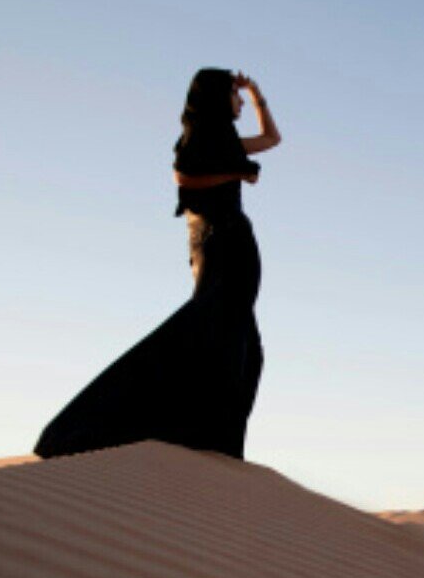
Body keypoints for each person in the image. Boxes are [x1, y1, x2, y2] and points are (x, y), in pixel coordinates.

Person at [34, 67, 281, 461]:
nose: (237, 100)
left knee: (247, 351)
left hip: (234, 245)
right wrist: (235, 171)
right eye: (233, 94)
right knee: (218, 342)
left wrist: (256, 96)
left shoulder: (225, 138)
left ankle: (221, 446)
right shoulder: (198, 135)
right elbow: (184, 175)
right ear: (216, 95)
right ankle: (199, 444)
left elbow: (272, 139)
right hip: (218, 245)